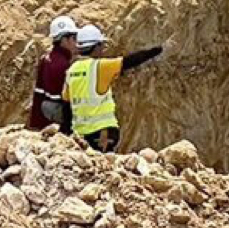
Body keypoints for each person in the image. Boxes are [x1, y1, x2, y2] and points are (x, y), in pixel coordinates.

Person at [64, 25, 163, 153]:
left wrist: (66, 132)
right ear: (96, 46)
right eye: (101, 46)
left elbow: (66, 104)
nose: (103, 50)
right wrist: (157, 50)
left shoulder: (71, 70)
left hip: (80, 134)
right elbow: (130, 61)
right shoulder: (101, 66)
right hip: (103, 132)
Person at [28, 15, 78, 131]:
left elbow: (38, 93)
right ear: (64, 40)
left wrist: (35, 125)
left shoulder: (46, 59)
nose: (76, 42)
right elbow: (66, 101)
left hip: (44, 117)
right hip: (57, 115)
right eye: (74, 38)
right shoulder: (63, 65)